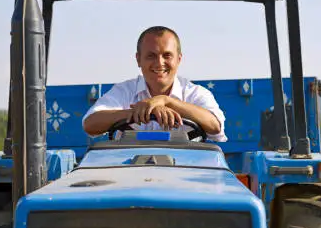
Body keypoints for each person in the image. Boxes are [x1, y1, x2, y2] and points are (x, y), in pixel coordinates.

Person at [82, 26, 227, 142]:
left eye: (167, 55)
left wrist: (166, 102)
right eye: (151, 56)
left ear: (179, 59)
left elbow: (215, 126)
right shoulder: (124, 90)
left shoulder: (195, 93)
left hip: (185, 172)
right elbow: (90, 124)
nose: (159, 63)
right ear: (138, 59)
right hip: (131, 174)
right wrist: (139, 112)